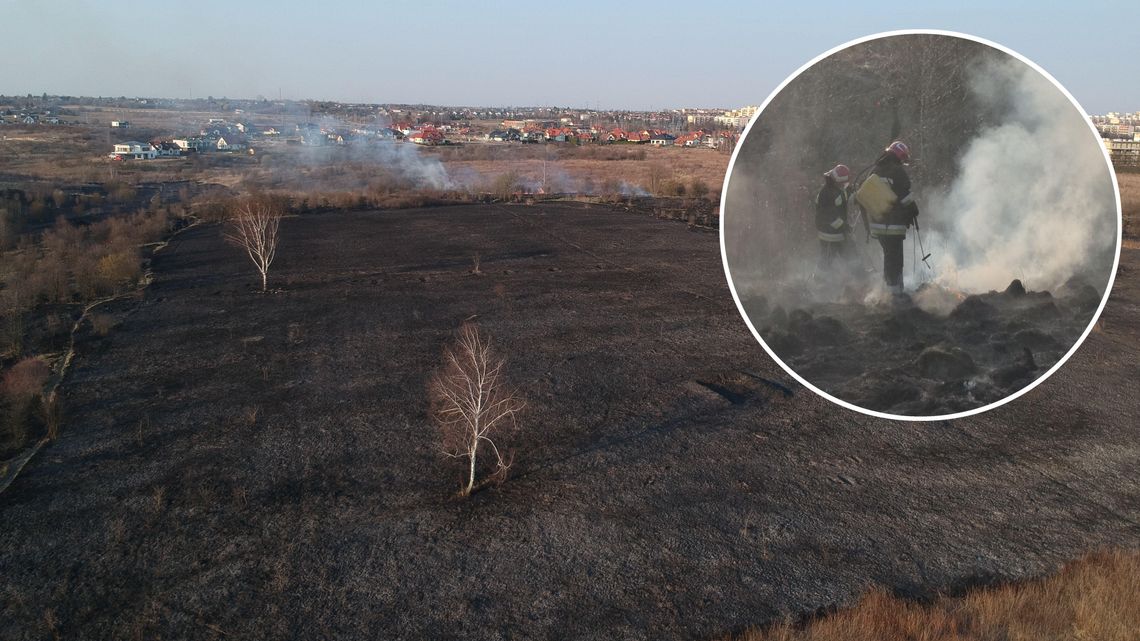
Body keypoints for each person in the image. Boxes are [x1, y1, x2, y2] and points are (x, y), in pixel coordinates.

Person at [858, 140, 919, 294]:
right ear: (900, 156)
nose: (903, 162)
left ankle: (889, 289)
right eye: (903, 158)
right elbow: (905, 195)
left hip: (878, 224)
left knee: (888, 257)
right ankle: (895, 293)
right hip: (894, 224)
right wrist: (913, 210)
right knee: (896, 259)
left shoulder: (875, 170)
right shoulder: (897, 171)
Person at [813, 164, 851, 270]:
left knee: (847, 255)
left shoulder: (833, 189)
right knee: (828, 259)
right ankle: (820, 280)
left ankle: (858, 277)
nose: (845, 185)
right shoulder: (830, 194)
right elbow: (829, 216)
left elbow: (842, 200)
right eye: (844, 183)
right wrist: (844, 226)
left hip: (833, 232)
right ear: (839, 182)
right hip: (830, 234)